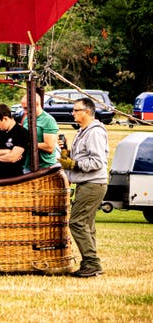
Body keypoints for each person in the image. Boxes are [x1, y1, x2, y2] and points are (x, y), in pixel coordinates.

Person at [58, 97, 108, 278]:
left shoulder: (94, 132)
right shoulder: (83, 131)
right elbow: (83, 156)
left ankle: (92, 263)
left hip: (93, 183)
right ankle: (90, 264)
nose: (73, 113)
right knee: (87, 224)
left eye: (76, 110)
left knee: (77, 223)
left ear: (87, 112)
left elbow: (97, 161)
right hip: (88, 183)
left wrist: (73, 164)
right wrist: (67, 153)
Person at [0, 104, 29, 179]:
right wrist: (7, 151)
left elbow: (12, 157)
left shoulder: (22, 133)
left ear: (5, 118)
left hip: (13, 178)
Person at [21, 93, 59, 170]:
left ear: (36, 104)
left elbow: (49, 147)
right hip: (27, 166)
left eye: (26, 108)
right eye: (23, 108)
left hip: (44, 168)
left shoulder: (48, 120)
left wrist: (28, 144)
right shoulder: (26, 119)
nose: (24, 111)